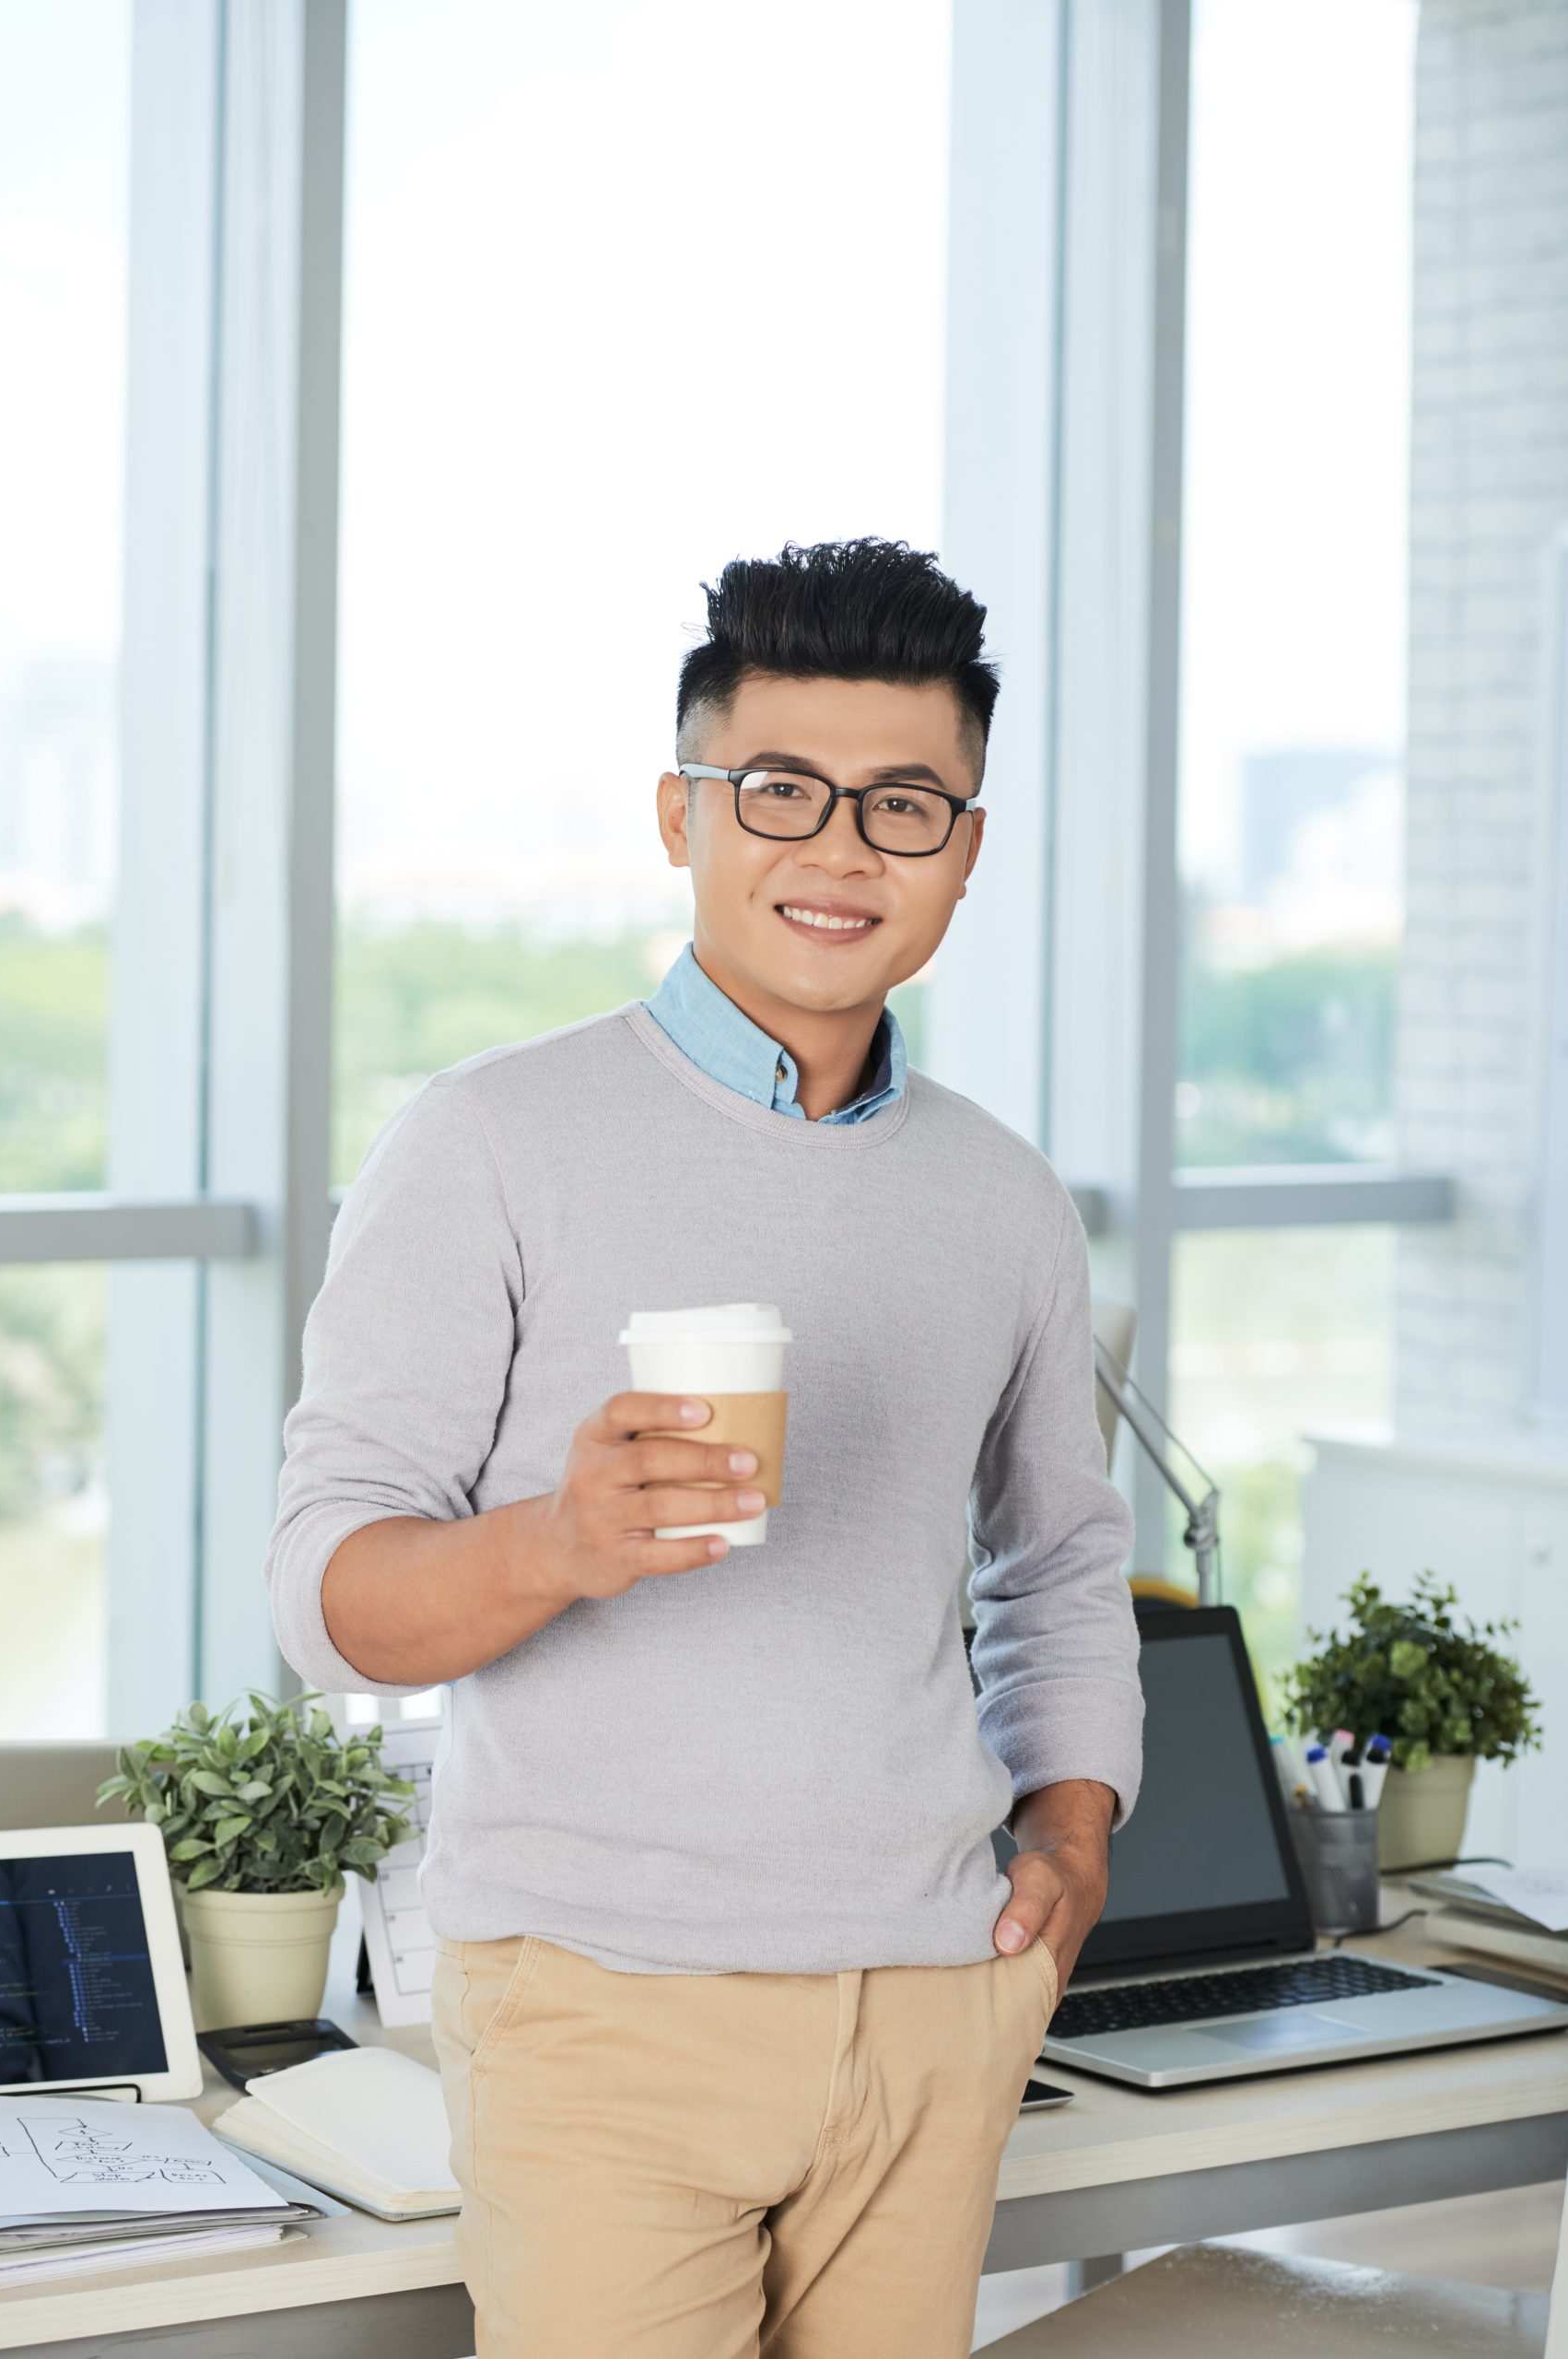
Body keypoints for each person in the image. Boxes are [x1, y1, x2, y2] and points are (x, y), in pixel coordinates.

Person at [263, 536, 1143, 2358]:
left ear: (967, 849)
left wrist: (1072, 1830)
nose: (840, 848)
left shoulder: (1002, 1194)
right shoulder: (488, 1137)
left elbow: (1057, 1555)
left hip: (933, 1992)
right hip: (600, 2007)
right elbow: (326, 1597)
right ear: (683, 815)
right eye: (781, 791)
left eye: (906, 804)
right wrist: (561, 1538)